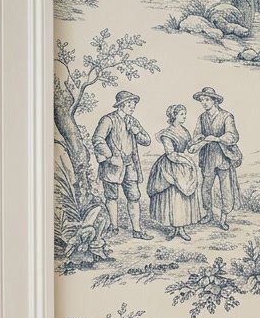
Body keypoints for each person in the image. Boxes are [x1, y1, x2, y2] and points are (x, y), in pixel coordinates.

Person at [91, 89, 152, 240]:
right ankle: (113, 227)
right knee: (111, 196)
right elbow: (98, 139)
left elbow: (147, 140)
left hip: (130, 164)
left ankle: (137, 230)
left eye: (133, 104)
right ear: (121, 105)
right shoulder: (108, 119)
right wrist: (110, 156)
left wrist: (137, 132)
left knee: (134, 196)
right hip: (112, 165)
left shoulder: (133, 121)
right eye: (129, 104)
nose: (133, 107)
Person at [146, 104, 203, 241]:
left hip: (183, 165)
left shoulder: (184, 131)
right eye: (182, 114)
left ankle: (181, 228)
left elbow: (189, 148)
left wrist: (198, 143)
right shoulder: (167, 133)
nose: (184, 116)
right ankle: (173, 228)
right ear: (174, 116)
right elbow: (170, 154)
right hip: (170, 166)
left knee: (182, 198)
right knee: (172, 197)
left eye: (184, 114)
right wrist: (186, 161)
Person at [191, 86, 242, 231]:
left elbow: (233, 136)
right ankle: (208, 213)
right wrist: (200, 138)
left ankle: (224, 217)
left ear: (215, 101)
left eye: (207, 100)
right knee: (206, 187)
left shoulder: (226, 116)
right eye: (202, 100)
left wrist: (218, 138)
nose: (204, 103)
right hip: (208, 157)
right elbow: (196, 135)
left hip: (223, 156)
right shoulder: (202, 117)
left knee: (226, 188)